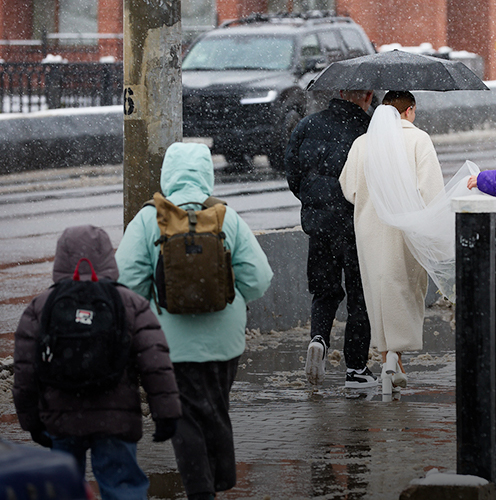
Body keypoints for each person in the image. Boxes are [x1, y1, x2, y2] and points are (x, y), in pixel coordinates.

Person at [115, 142, 274, 500]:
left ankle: (201, 490)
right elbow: (260, 278)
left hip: (171, 345)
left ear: (167, 174)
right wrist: (229, 300)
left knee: (184, 418)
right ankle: (221, 477)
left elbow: (126, 284)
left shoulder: (148, 218)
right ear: (207, 174)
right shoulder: (224, 217)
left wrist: (154, 306)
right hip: (225, 342)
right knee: (216, 407)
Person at [12, 224, 181, 500]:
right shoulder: (130, 303)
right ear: (107, 256)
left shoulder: (41, 306)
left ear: (60, 257)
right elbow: (156, 364)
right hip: (116, 417)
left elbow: (25, 371)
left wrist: (31, 421)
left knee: (64, 489)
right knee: (122, 485)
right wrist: (166, 414)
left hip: (62, 417)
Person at [339, 91, 445, 392]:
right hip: (407, 231)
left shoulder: (362, 143)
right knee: (406, 289)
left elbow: (349, 188)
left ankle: (388, 357)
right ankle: (394, 356)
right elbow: (431, 190)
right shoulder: (419, 140)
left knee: (378, 292)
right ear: (409, 111)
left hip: (370, 230)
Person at [284, 89, 378, 389]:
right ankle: (355, 369)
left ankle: (319, 339)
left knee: (324, 291)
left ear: (338, 92)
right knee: (359, 298)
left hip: (319, 226)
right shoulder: (369, 129)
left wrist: (313, 202)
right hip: (355, 227)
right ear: (367, 94)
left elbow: (293, 174)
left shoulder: (307, 125)